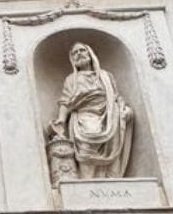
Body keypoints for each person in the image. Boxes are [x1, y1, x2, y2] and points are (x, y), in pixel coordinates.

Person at [45, 43, 134, 181]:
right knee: (86, 147)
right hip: (84, 117)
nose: (79, 54)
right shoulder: (71, 79)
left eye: (82, 50)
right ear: (72, 60)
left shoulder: (106, 76)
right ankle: (87, 180)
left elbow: (115, 96)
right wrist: (61, 119)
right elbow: (65, 101)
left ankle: (113, 180)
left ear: (90, 54)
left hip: (110, 115)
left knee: (113, 146)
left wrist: (124, 108)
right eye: (75, 53)